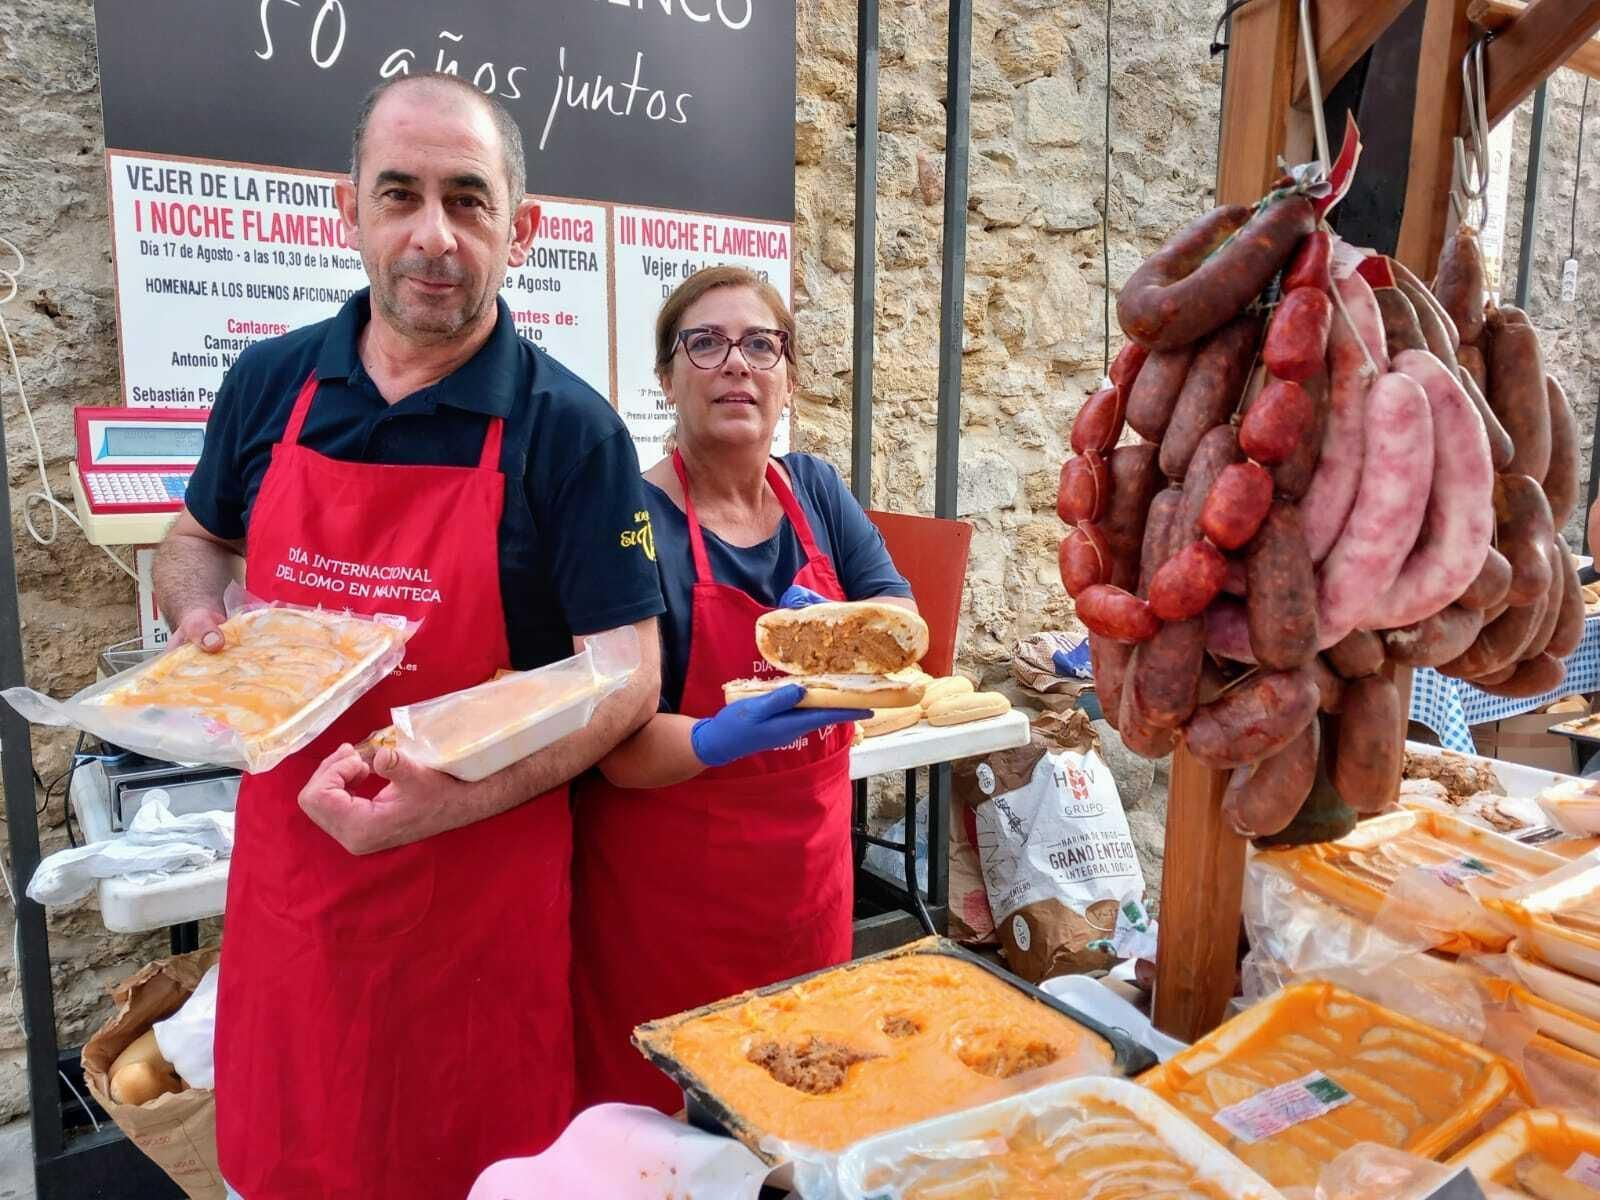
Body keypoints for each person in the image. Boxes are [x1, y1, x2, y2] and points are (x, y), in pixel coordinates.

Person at [152, 74, 665, 1198]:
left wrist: (457, 799)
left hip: (475, 920)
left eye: (468, 200)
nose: (433, 236)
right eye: (401, 195)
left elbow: (629, 678)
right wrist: (193, 613)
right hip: (295, 903)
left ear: (519, 230)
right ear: (351, 212)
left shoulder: (570, 430)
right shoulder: (267, 384)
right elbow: (193, 542)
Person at [569, 266, 917, 1112]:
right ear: (666, 378)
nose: (738, 363)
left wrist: (832, 636)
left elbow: (903, 618)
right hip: (669, 910)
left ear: (790, 378)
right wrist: (717, 737)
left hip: (807, 887)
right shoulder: (631, 520)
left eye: (762, 344)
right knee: (676, 1131)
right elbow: (616, 749)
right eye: (706, 343)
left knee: (801, 1103)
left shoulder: (816, 492)